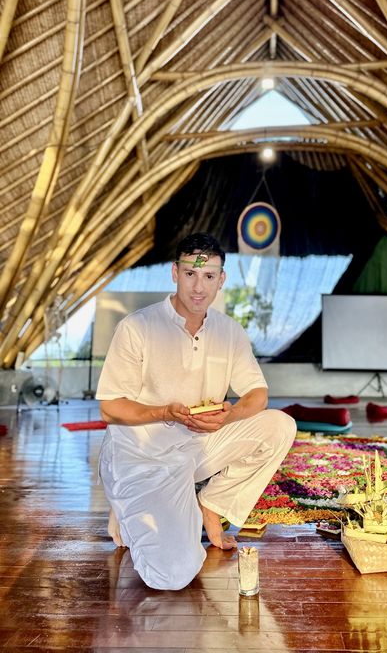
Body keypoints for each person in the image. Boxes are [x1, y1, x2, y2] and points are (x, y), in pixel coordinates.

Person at [96, 232, 296, 590]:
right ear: (175, 273)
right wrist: (166, 413)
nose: (198, 287)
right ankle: (128, 501)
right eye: (190, 274)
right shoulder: (138, 327)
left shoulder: (229, 331)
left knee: (279, 426)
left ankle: (212, 505)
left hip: (195, 447)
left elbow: (258, 394)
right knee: (172, 576)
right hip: (142, 457)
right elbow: (110, 408)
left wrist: (229, 415)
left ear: (222, 279)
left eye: (208, 276)